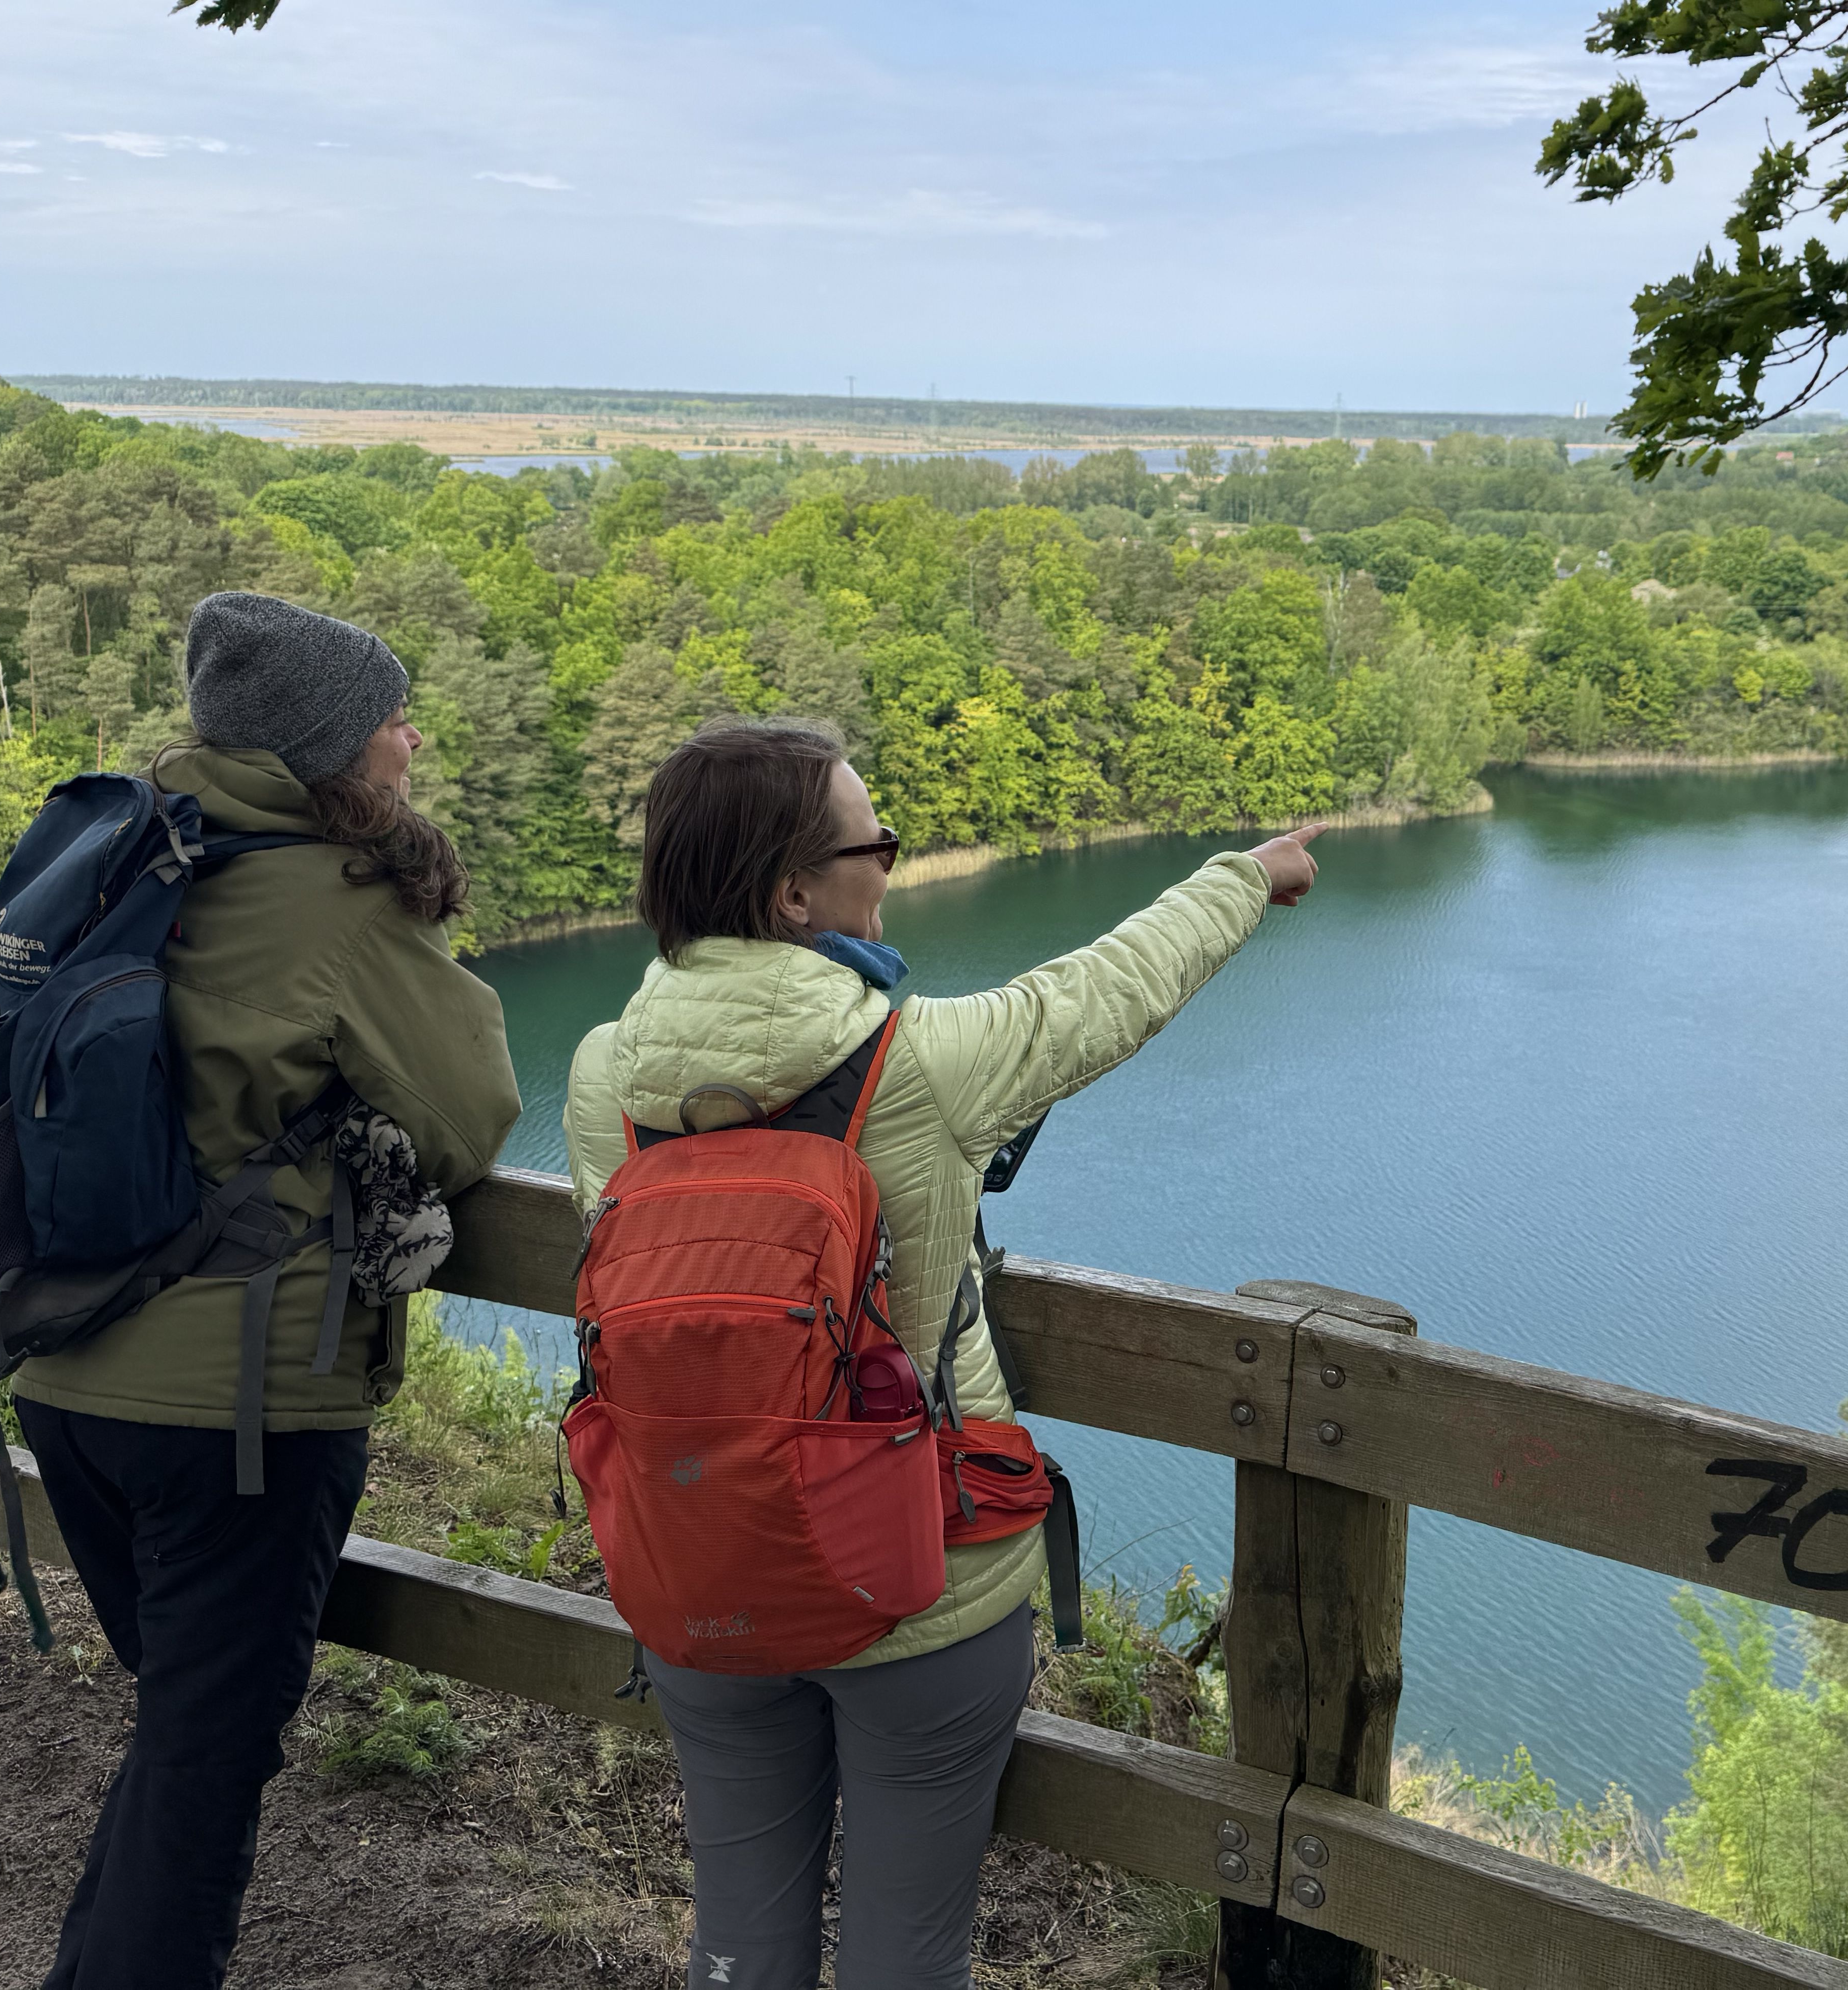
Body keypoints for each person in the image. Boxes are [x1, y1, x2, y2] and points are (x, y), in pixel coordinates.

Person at [563, 716, 1325, 1990]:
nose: (891, 868)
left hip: (697, 1563)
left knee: (738, 1936)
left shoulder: (604, 1078)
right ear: (795, 894)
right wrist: (1244, 877)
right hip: (917, 1576)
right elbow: (1107, 990)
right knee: (906, 1952)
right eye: (877, 846)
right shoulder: (920, 1062)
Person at [12, 591, 524, 1990]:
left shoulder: (124, 847)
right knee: (205, 1761)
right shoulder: (334, 897)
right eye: (391, 720)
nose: (411, 741)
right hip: (234, 1413)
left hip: (65, 1372)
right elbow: (473, 1114)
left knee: (187, 1735)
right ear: (327, 746)